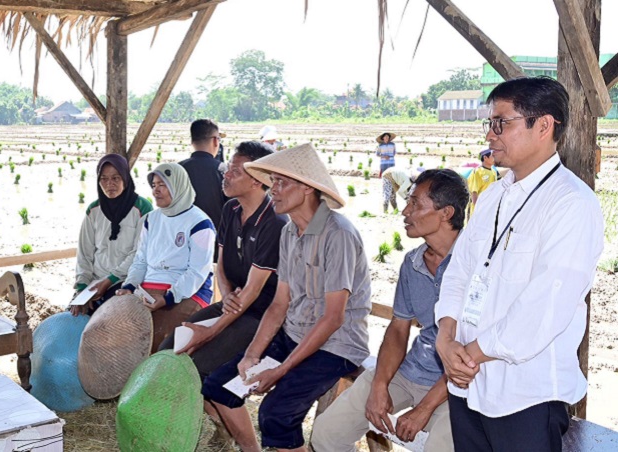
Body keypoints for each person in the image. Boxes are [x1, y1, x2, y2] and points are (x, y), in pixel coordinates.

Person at [435, 77, 604, 452]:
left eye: (502, 123)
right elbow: (459, 271)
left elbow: (545, 306)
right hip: (468, 384)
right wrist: (446, 339)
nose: (491, 135)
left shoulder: (571, 204)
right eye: (489, 124)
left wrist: (468, 354)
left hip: (524, 395)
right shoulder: (494, 194)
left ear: (544, 125)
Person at [201, 143, 372, 452]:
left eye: (280, 182)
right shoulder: (289, 232)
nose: (272, 190)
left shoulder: (338, 234)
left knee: (275, 414)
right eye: (272, 182)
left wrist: (280, 370)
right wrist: (253, 355)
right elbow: (280, 304)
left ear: (306, 188)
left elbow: (334, 318)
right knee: (220, 387)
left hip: (335, 346)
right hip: (295, 335)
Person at [312, 169, 469, 452]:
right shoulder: (413, 262)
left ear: (446, 213)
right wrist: (379, 385)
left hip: (460, 390)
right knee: (326, 434)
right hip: (410, 373)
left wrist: (423, 409)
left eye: (416, 204)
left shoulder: (477, 264)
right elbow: (398, 329)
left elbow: (471, 354)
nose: (405, 212)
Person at [159, 141, 287, 380]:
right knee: (168, 348)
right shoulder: (231, 209)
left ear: (257, 180)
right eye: (228, 168)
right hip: (233, 303)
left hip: (259, 314)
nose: (225, 175)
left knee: (199, 365)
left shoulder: (274, 223)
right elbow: (221, 264)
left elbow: (253, 290)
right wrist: (226, 294)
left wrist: (207, 333)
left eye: (235, 172)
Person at [117, 162, 215, 351]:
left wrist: (168, 298)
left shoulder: (200, 223)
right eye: (154, 185)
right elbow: (141, 261)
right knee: (119, 333)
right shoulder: (151, 220)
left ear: (178, 186)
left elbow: (196, 272)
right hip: (148, 289)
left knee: (160, 338)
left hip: (187, 292)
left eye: (163, 185)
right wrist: (129, 286)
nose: (156, 191)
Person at [70, 154, 152, 316]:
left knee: (110, 324)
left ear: (126, 178)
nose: (109, 184)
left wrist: (110, 281)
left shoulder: (142, 208)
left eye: (116, 178)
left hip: (126, 281)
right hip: (94, 282)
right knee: (73, 317)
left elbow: (139, 253)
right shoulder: (93, 210)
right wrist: (81, 288)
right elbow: (84, 253)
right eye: (104, 179)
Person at [180, 119, 228, 231]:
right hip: (215, 236)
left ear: (192, 141)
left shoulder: (178, 169)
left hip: (181, 236)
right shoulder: (224, 170)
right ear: (216, 141)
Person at [466, 149, 498, 218]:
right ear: (485, 158)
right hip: (479, 209)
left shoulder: (494, 172)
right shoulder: (477, 172)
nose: (494, 158)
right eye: (492, 156)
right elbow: (474, 192)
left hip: (489, 208)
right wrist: (478, 209)